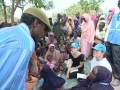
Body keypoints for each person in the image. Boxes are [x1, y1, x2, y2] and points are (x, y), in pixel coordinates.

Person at [0, 7, 51, 89]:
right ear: (35, 23)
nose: (44, 33)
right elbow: (8, 81)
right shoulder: (26, 43)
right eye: (44, 29)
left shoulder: (5, 31)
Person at [106, 0, 120, 86]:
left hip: (118, 42)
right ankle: (115, 74)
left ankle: (118, 77)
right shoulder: (115, 16)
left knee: (117, 60)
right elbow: (110, 27)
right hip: (110, 40)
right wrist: (106, 39)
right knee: (110, 58)